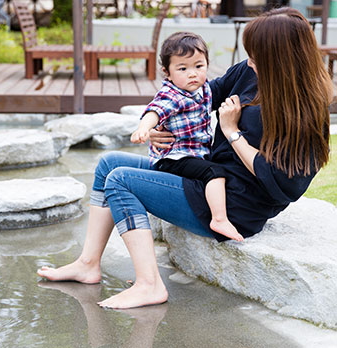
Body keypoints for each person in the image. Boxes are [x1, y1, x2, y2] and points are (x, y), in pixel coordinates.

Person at [38, 7, 332, 310]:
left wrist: (232, 132)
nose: (249, 61)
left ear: (279, 59)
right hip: (206, 174)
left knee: (120, 181)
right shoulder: (250, 73)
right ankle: (88, 264)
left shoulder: (304, 112)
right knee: (108, 164)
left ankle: (148, 284)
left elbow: (287, 185)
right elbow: (204, 93)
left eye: (256, 55)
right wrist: (161, 124)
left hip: (236, 206)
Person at [131, 31, 244, 242]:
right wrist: (144, 128)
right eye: (183, 69)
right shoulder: (172, 94)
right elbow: (155, 110)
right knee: (215, 172)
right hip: (173, 158)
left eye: (198, 66)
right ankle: (219, 219)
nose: (192, 74)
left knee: (210, 169)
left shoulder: (204, 90)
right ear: (167, 72)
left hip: (193, 155)